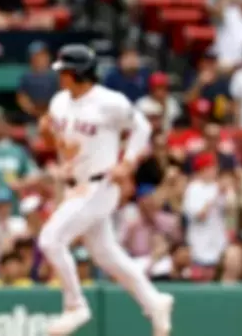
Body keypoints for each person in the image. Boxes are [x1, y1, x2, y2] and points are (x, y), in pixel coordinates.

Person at [37, 44, 173, 335]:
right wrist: (48, 136)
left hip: (101, 184)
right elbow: (59, 145)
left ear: (79, 73)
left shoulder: (109, 102)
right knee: (104, 253)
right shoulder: (59, 101)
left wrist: (128, 161)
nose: (60, 77)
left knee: (51, 240)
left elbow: (142, 128)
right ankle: (154, 301)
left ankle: (75, 306)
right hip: (76, 185)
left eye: (65, 71)